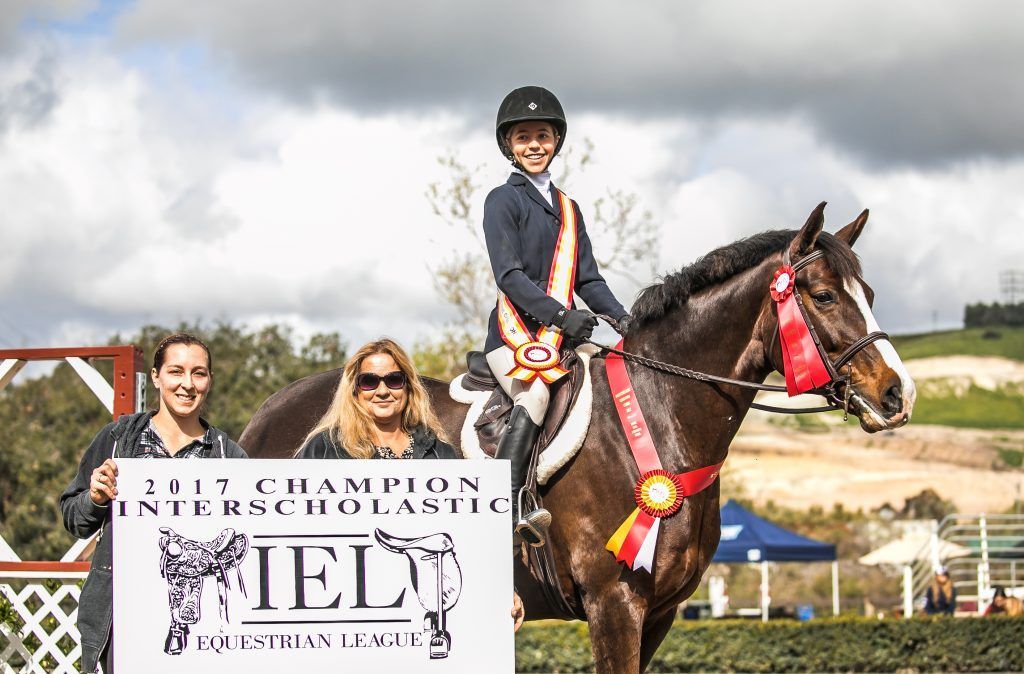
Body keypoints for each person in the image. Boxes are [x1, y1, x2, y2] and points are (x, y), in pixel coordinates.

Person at [483, 85, 631, 542]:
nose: (534, 145)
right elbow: (509, 276)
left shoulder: (569, 209)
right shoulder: (502, 201)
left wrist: (624, 320)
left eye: (542, 135)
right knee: (535, 398)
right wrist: (560, 316)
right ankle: (507, 509)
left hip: (564, 339)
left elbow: (587, 279)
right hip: (514, 339)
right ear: (509, 144)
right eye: (523, 136)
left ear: (556, 142)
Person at [59, 333, 247, 673]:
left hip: (202, 631)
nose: (187, 384)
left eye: (199, 373)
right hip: (119, 623)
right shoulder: (117, 439)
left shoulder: (228, 454)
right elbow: (74, 518)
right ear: (156, 377)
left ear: (210, 381)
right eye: (176, 371)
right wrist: (95, 499)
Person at [296, 338, 457, 460]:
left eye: (394, 380)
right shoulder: (323, 448)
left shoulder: (440, 452)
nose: (382, 391)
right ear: (354, 390)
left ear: (408, 387)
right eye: (369, 381)